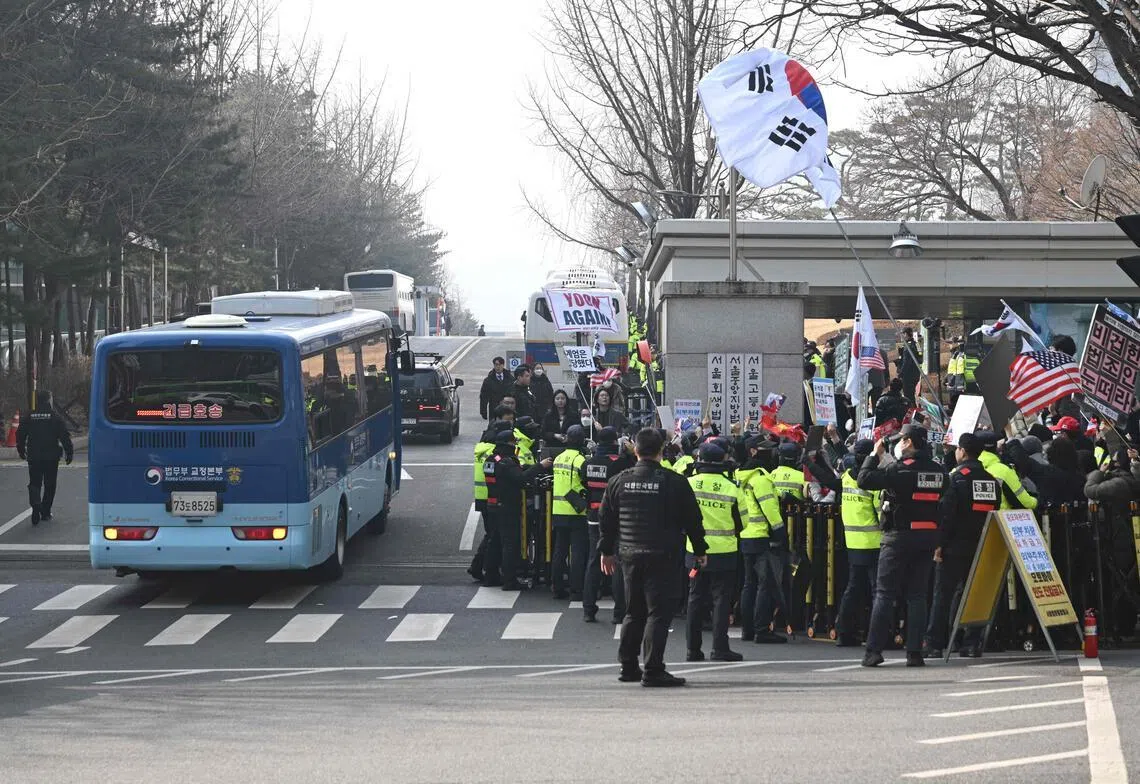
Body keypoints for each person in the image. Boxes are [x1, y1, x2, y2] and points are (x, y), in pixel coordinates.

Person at [599, 428, 706, 687]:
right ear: (661, 451)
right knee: (658, 613)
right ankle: (653, 669)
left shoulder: (619, 481)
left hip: (629, 554)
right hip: (663, 555)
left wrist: (606, 551)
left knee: (633, 611)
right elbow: (693, 520)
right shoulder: (674, 482)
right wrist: (700, 550)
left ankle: (628, 666)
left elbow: (606, 520)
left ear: (635, 450)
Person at [858, 424, 947, 667]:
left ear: (908, 442)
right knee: (917, 596)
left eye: (901, 440)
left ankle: (873, 651)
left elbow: (864, 479)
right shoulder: (939, 472)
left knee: (884, 594)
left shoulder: (898, 470)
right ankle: (915, 653)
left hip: (898, 537)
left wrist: (874, 454)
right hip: (927, 537)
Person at [923, 433, 998, 658]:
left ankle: (935, 644)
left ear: (962, 452)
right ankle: (971, 643)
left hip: (954, 547)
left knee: (942, 596)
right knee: (975, 594)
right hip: (981, 545)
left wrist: (939, 544)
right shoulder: (991, 481)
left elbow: (946, 516)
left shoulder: (955, 479)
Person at [685, 442, 744, 662]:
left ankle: (692, 650)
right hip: (724, 552)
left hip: (694, 550)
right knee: (721, 600)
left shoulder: (689, 483)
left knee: (695, 598)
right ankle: (720, 648)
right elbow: (743, 522)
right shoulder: (732, 487)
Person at [735, 436, 789, 644]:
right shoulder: (760, 479)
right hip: (761, 536)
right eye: (767, 449)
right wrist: (781, 532)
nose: (772, 453)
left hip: (746, 535)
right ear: (754, 451)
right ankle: (762, 629)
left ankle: (747, 629)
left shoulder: (740, 476)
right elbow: (770, 510)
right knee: (765, 585)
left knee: (749, 584)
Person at [483, 429, 551, 590]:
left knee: (494, 542)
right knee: (510, 544)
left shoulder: (491, 460)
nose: (515, 445)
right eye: (514, 442)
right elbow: (520, 478)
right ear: (509, 443)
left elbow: (515, 471)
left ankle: (490, 576)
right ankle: (510, 580)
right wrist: (540, 466)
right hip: (507, 508)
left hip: (492, 506)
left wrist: (528, 467)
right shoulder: (505, 462)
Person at [582, 427, 636, 623]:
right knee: (618, 563)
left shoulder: (588, 463)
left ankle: (588, 609)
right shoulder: (620, 463)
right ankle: (619, 612)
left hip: (593, 516)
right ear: (615, 442)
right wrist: (630, 453)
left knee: (594, 560)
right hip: (616, 517)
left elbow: (584, 485)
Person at [833, 439, 881, 647]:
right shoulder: (874, 480)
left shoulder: (846, 478)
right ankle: (878, 636)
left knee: (853, 589)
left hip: (853, 542)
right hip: (874, 542)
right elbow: (881, 515)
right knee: (878, 592)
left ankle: (844, 633)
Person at [467, 418, 514, 583]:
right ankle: (483, 568)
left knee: (491, 535)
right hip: (494, 497)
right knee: (494, 536)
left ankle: (479, 567)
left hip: (484, 496)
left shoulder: (482, 448)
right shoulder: (495, 453)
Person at [16, 390, 74, 525]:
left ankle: (36, 504)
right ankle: (45, 512)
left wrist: (21, 450)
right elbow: (64, 436)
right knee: (50, 484)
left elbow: (20, 434)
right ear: (49, 400)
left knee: (34, 482)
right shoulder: (55, 416)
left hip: (34, 455)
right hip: (51, 457)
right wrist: (69, 452)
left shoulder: (29, 416)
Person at [551, 425, 589, 600]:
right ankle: (576, 589)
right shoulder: (580, 460)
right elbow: (586, 481)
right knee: (578, 552)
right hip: (576, 511)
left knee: (560, 550)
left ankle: (557, 587)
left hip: (558, 510)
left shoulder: (558, 458)